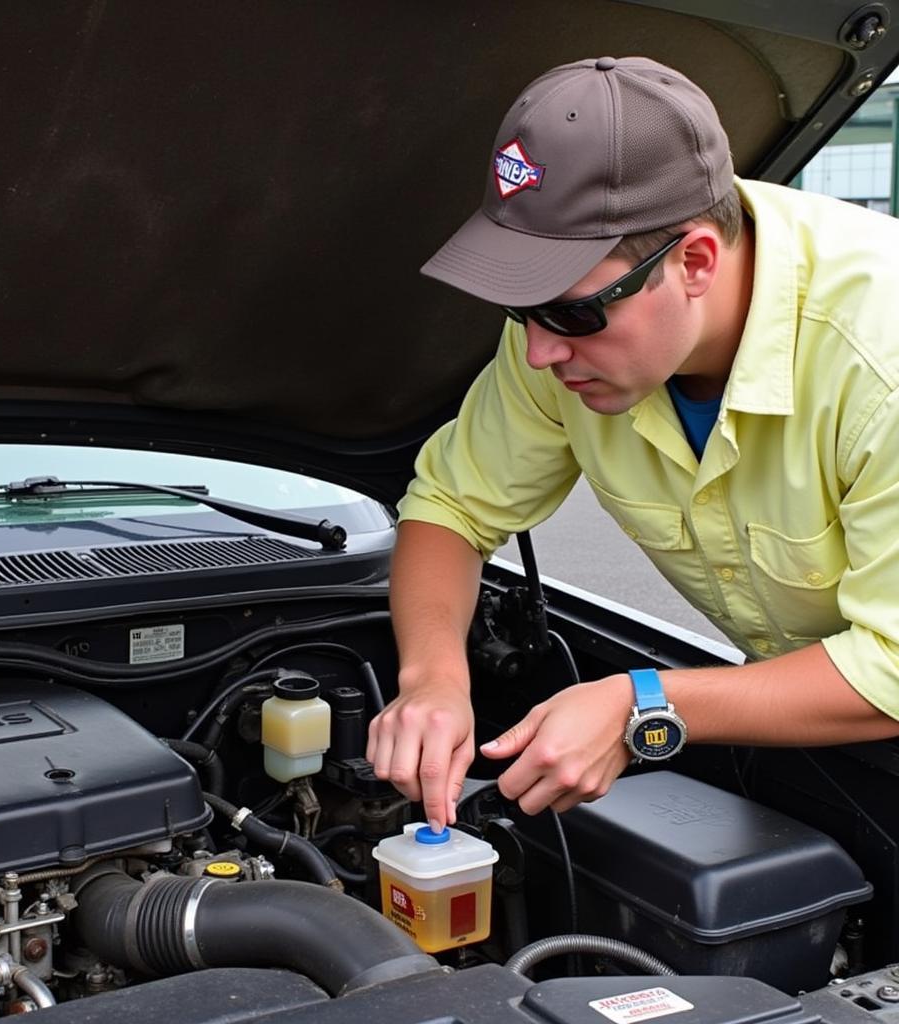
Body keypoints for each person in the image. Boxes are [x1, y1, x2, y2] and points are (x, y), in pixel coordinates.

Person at [365, 55, 899, 833]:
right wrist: (434, 681)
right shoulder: (564, 331)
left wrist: (641, 703)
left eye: (571, 315)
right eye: (521, 310)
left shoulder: (878, 365)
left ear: (694, 262)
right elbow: (451, 505)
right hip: (819, 714)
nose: (542, 352)